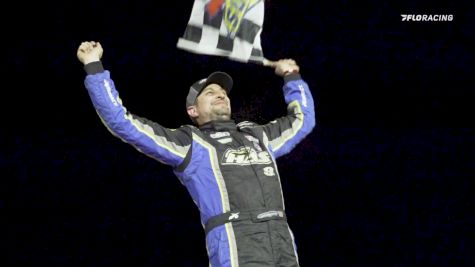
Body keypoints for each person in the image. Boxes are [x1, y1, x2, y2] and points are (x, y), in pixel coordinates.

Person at [77, 40, 315, 267]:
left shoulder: (259, 135)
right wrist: (94, 67)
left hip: (282, 237)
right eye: (210, 92)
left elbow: (303, 120)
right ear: (193, 110)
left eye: (223, 92)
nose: (221, 94)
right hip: (236, 239)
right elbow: (122, 122)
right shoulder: (190, 142)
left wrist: (291, 76)